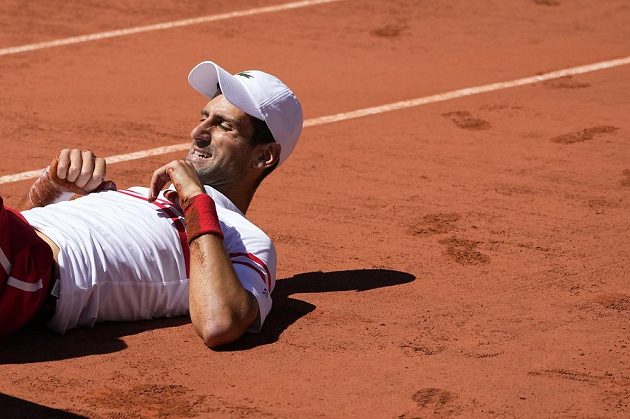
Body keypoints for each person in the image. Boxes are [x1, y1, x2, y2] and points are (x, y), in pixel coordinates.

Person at [0, 60, 303, 347]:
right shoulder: (141, 193)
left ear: (264, 156)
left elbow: (219, 322)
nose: (198, 132)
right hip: (15, 244)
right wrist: (52, 187)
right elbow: (27, 224)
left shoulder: (245, 237)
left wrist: (197, 200)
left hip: (30, 273)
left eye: (223, 125)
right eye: (203, 118)